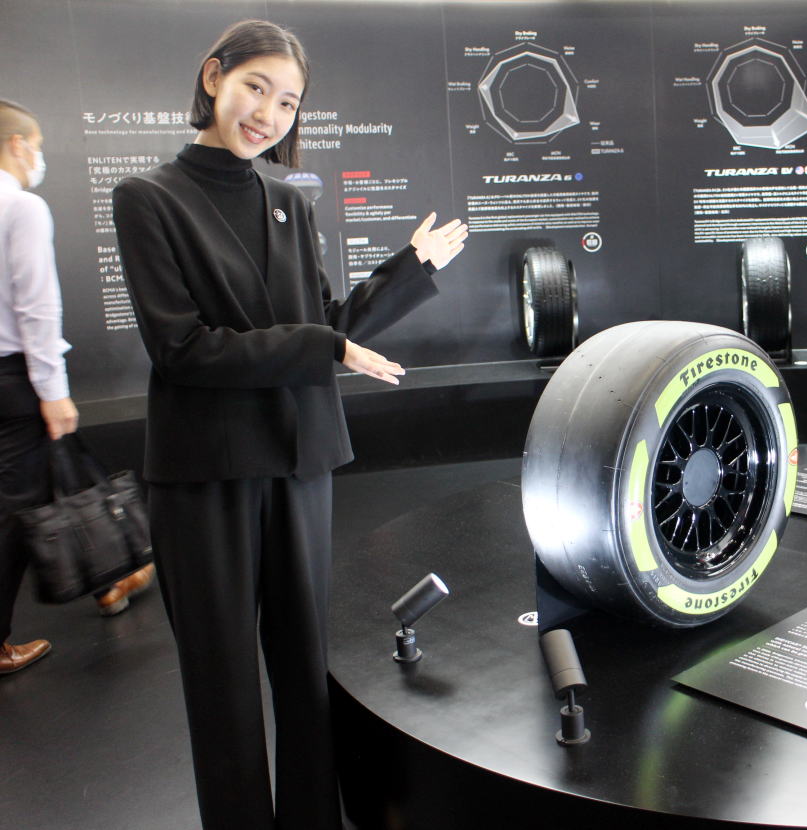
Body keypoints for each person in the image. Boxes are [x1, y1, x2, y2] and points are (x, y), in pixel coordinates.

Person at [111, 20, 467, 830]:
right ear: (214, 77)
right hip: (206, 474)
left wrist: (407, 272)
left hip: (299, 461)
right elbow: (183, 350)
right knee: (223, 683)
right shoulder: (148, 198)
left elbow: (326, 324)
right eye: (255, 88)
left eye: (287, 101)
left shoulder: (288, 202)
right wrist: (324, 346)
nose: (267, 114)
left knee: (307, 671)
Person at [0, 101, 155, 676]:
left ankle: (109, 581)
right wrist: (52, 388)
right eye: (37, 146)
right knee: (21, 508)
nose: (38, 158)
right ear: (18, 144)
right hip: (17, 377)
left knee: (58, 480)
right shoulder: (21, 207)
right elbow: (36, 305)